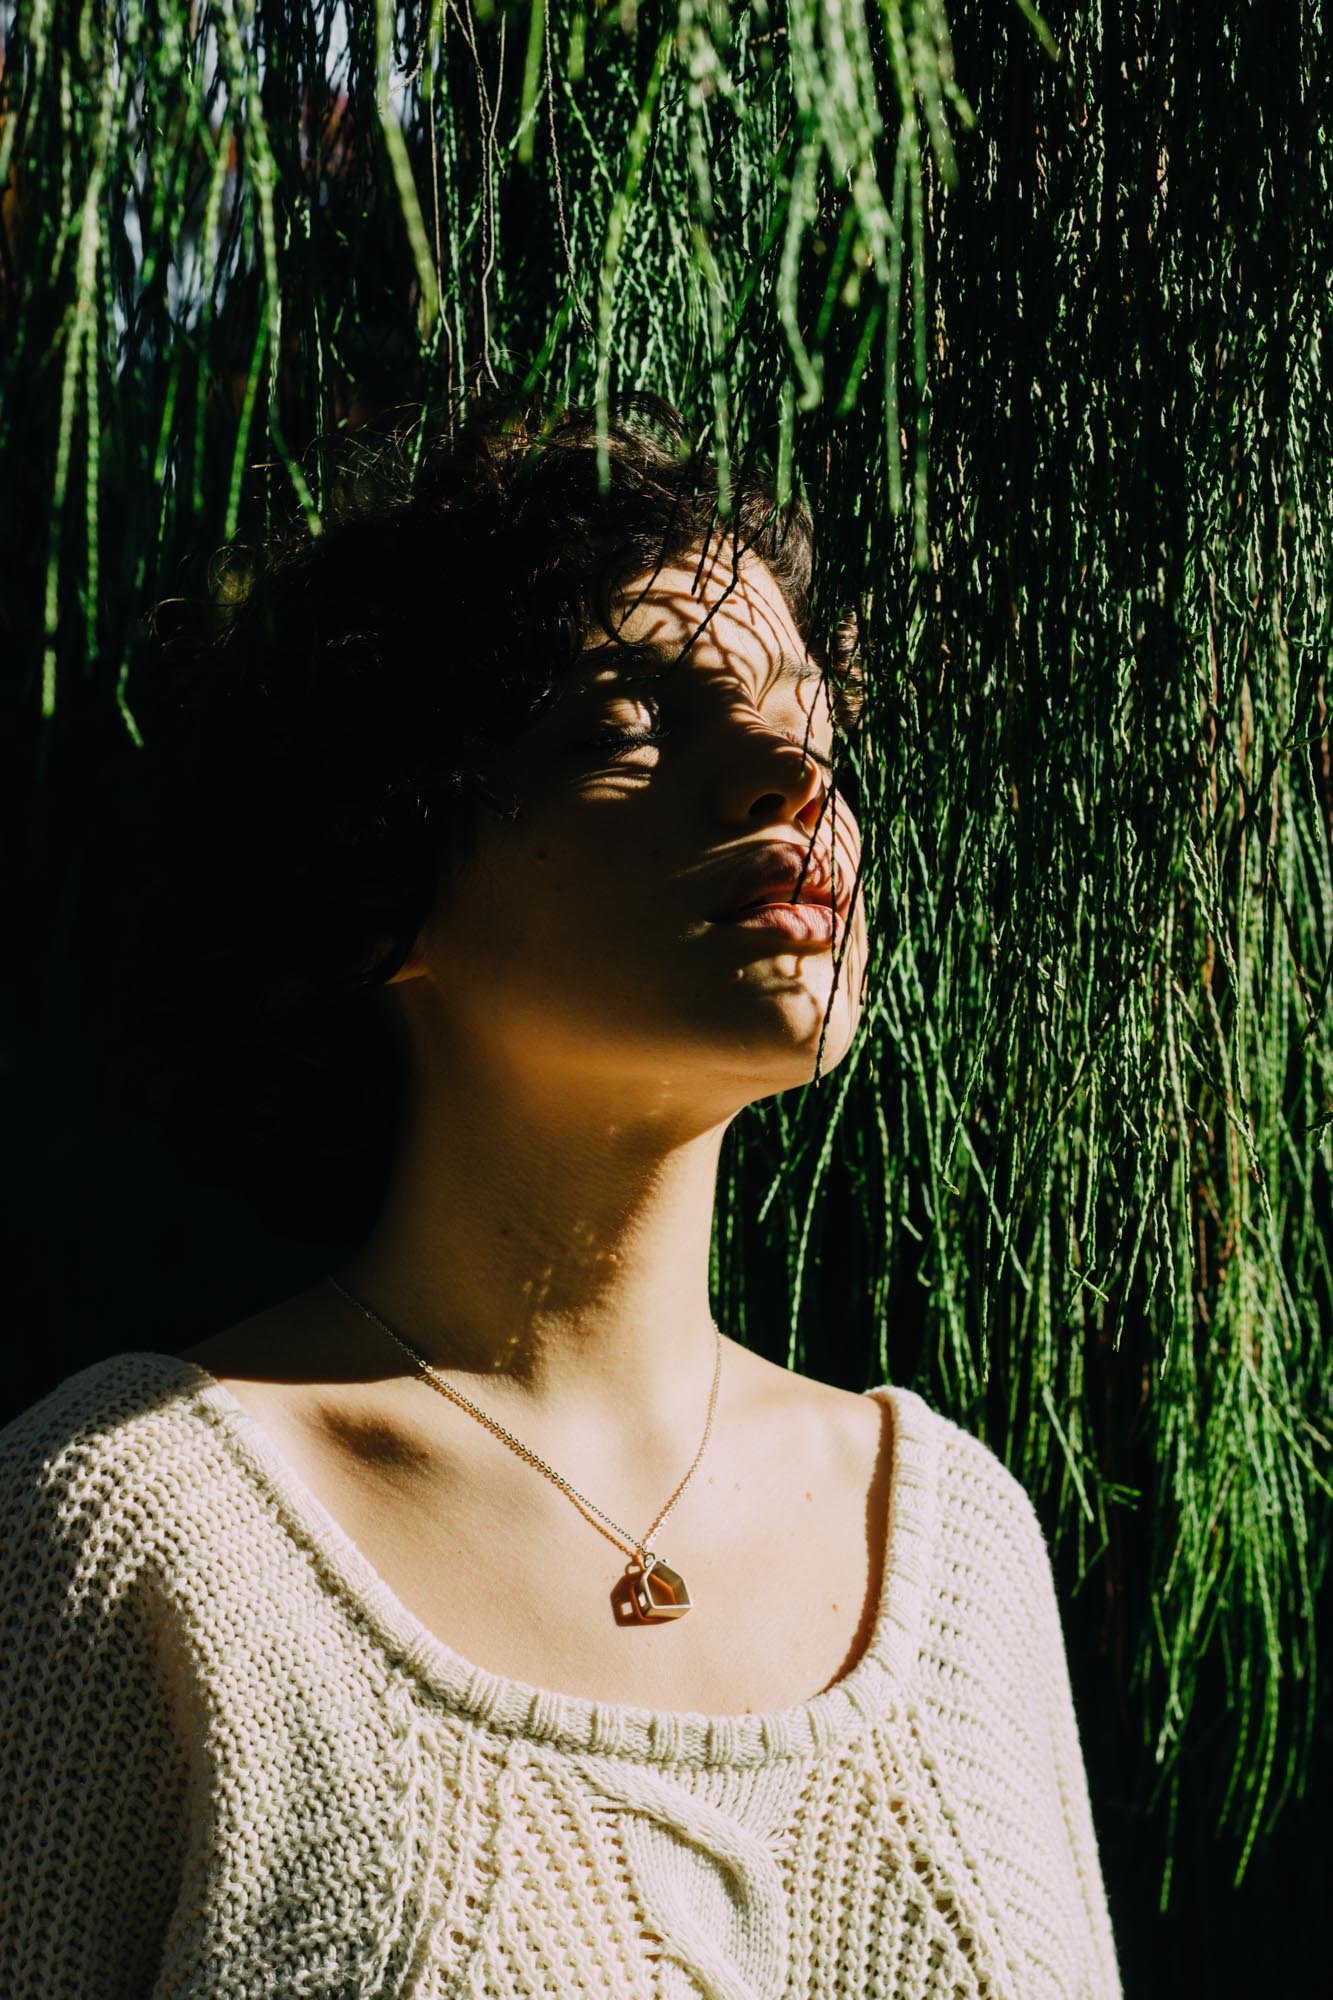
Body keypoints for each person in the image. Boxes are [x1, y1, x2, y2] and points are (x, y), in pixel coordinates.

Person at [0, 396, 1121, 1997]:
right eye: (629, 719)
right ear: (380, 874)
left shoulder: (954, 1548)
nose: (790, 773)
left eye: (812, 717)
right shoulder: (134, 1534)